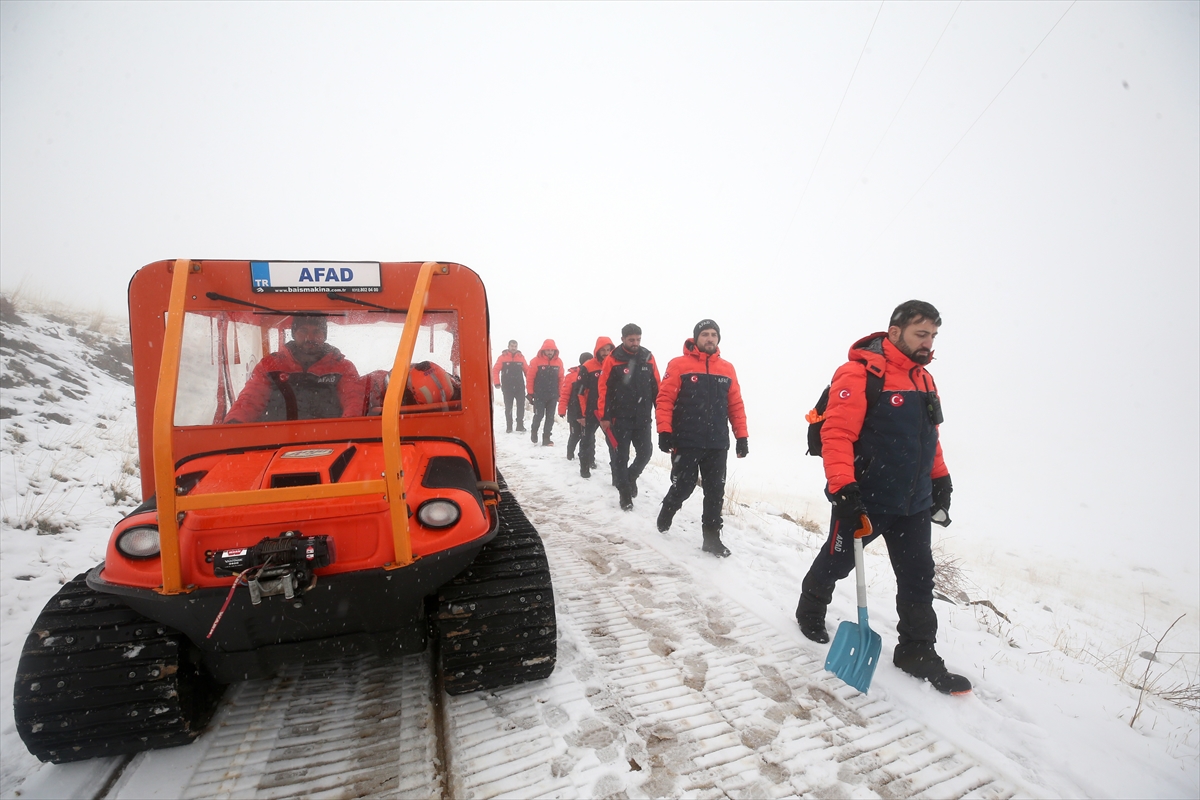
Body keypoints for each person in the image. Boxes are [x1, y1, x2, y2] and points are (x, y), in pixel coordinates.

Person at [794, 300, 968, 695]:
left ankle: (916, 651)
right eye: (920, 334)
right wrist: (844, 490)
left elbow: (928, 438)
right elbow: (836, 434)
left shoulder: (924, 380)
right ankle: (811, 606)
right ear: (894, 332)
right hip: (866, 498)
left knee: (918, 577)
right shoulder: (859, 374)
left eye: (933, 336)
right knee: (837, 561)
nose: (929, 343)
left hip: (914, 503)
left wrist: (940, 479)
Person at [655, 320, 748, 558]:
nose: (709, 338)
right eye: (705, 334)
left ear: (718, 339)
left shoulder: (727, 369)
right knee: (684, 486)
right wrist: (664, 431)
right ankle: (668, 508)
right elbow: (664, 400)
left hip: (717, 442)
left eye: (713, 334)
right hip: (686, 439)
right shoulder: (679, 365)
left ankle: (712, 538)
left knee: (715, 491)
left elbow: (735, 405)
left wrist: (742, 436)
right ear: (696, 338)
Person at [225, 315, 364, 423]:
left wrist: (349, 427)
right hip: (275, 440)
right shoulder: (270, 365)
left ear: (324, 336)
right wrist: (234, 424)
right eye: (303, 331)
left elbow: (353, 400)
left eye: (317, 332)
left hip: (330, 439)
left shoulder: (342, 367)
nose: (310, 338)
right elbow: (251, 399)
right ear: (294, 333)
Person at [598, 323, 660, 510]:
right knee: (620, 457)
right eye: (631, 339)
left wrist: (661, 411)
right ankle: (624, 494)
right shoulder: (613, 359)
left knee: (645, 453)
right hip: (620, 418)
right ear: (623, 339)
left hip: (643, 418)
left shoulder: (648, 357)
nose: (635, 343)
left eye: (638, 339)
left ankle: (631, 477)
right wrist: (604, 416)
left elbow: (657, 386)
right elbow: (604, 389)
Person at [575, 336, 614, 479]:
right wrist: (581, 414)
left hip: (609, 412)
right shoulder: (587, 367)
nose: (605, 352)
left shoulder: (615, 365)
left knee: (614, 444)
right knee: (586, 440)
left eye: (608, 349)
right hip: (592, 411)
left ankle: (616, 476)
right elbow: (579, 392)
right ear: (597, 350)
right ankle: (584, 468)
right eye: (602, 350)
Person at [525, 339, 564, 446]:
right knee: (539, 415)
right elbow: (530, 378)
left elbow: (561, 379)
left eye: (552, 350)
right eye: (548, 350)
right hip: (539, 394)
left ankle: (546, 438)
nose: (550, 352)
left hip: (553, 395)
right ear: (543, 350)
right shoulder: (535, 361)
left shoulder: (559, 362)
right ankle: (534, 432)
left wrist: (560, 394)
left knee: (550, 417)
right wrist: (530, 393)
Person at [558, 352, 592, 461]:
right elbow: (565, 394)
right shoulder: (571, 377)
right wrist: (562, 410)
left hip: (588, 411)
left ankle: (590, 458)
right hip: (574, 411)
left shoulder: (593, 374)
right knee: (575, 435)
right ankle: (570, 454)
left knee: (589, 437)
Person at [492, 340, 528, 433]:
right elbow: (495, 370)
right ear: (508, 346)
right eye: (512, 346)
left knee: (521, 406)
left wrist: (530, 384)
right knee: (509, 407)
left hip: (520, 386)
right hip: (507, 387)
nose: (513, 348)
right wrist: (497, 383)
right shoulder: (502, 357)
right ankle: (509, 426)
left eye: (515, 346)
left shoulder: (521, 357)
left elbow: (527, 371)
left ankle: (520, 425)